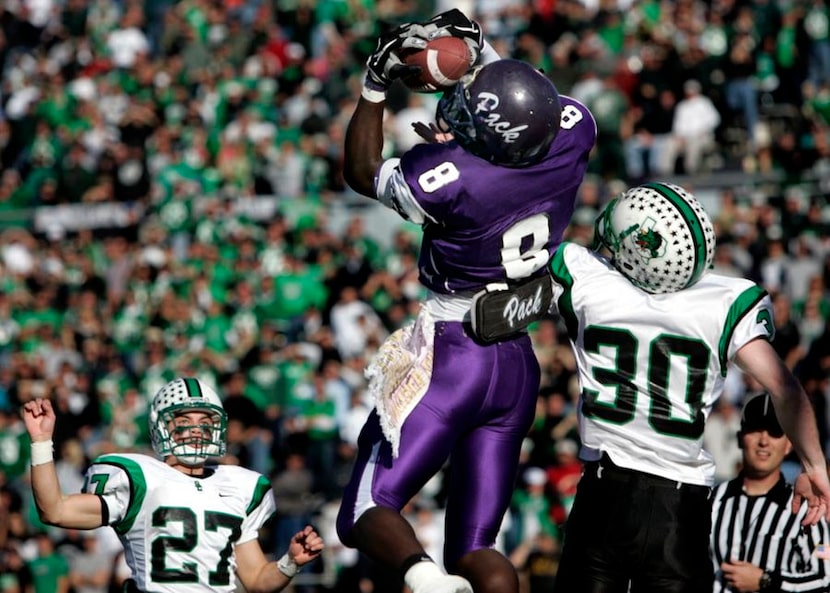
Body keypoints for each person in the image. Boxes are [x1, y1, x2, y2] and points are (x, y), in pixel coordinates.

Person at [335, 8, 596, 593]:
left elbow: (360, 171)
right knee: (478, 546)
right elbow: (528, 103)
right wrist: (487, 52)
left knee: (364, 509)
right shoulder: (572, 131)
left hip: (451, 356)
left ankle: (429, 585)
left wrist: (375, 84)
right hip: (516, 361)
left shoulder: (449, 176)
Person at [542, 182, 830, 592]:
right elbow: (784, 388)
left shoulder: (588, 278)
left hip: (603, 495)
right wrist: (814, 465)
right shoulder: (726, 299)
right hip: (679, 509)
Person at [21, 377, 324, 593]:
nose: (196, 431)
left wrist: (290, 562)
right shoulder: (139, 477)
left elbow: (257, 579)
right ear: (162, 427)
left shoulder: (240, 486)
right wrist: (40, 442)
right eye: (183, 422)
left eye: (205, 422)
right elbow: (55, 510)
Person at [710, 393, 830, 593]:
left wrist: (767, 581)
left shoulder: (806, 512)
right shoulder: (713, 500)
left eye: (775, 432)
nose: (764, 441)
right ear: (740, 438)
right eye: (756, 429)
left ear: (788, 445)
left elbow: (825, 577)